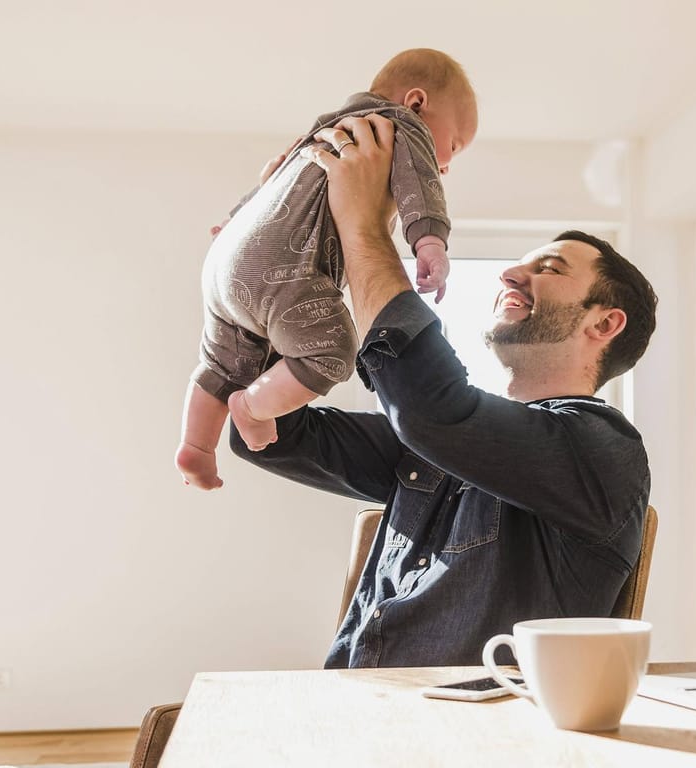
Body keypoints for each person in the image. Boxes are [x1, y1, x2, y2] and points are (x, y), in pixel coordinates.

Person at [230, 114, 659, 668]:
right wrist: (281, 252)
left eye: (549, 269)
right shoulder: (439, 445)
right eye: (519, 264)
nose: (510, 274)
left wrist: (362, 227)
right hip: (354, 718)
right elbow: (270, 434)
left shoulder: (602, 450)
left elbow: (430, 408)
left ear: (604, 325)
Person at [175, 49, 480, 490]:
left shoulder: (325, 129)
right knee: (331, 352)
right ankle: (252, 408)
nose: (446, 164)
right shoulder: (401, 124)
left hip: (226, 261)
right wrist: (430, 241)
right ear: (416, 103)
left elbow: (274, 181)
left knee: (221, 362)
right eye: (453, 146)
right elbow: (422, 188)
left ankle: (196, 445)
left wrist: (235, 220)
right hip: (281, 268)